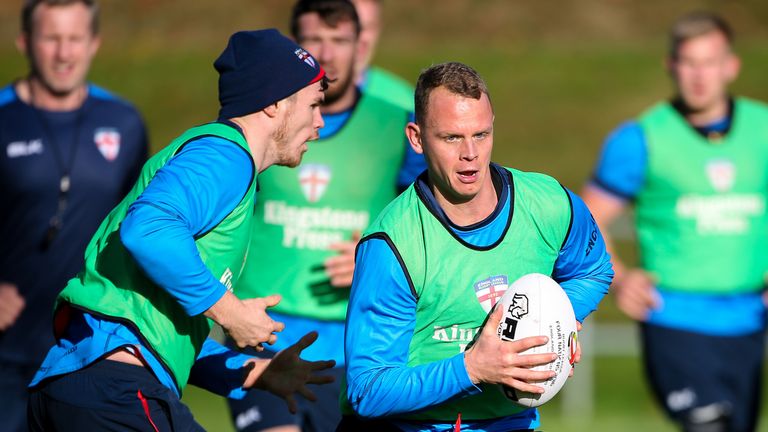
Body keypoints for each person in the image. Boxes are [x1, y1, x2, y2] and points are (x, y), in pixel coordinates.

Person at [26, 28, 336, 431]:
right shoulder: (226, 155)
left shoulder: (221, 163)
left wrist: (255, 373)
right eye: (313, 105)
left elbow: (158, 327)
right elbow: (148, 228)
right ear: (275, 103)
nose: (320, 122)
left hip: (84, 388)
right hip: (114, 392)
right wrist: (230, 311)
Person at [339, 62, 613, 431]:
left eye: (481, 134)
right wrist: (473, 368)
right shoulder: (393, 244)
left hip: (511, 422)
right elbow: (368, 390)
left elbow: (592, 270)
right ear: (417, 138)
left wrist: (559, 322)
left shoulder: (549, 204)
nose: (470, 153)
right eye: (451, 137)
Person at [226, 1, 426, 431]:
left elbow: (433, 231)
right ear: (294, 47)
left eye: (340, 41)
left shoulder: (398, 126)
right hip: (267, 339)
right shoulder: (258, 122)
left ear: (361, 45)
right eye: (314, 40)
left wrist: (375, 260)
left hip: (359, 345)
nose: (328, 53)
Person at [582, 12, 768, 432]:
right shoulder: (641, 139)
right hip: (675, 321)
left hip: (749, 321)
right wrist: (620, 278)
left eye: (709, 62)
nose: (699, 76)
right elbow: (585, 221)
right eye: (689, 63)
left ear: (730, 66)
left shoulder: (762, 130)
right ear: (672, 67)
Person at [0, 1, 148, 430]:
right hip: (8, 357)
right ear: (25, 42)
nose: (64, 53)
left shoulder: (123, 121)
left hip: (92, 352)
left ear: (94, 43)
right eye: (51, 38)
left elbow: (140, 228)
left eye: (74, 39)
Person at [351, 0, 414, 111]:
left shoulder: (404, 102)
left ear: (379, 29)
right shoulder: (311, 95)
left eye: (369, 27)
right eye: (353, 28)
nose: (361, 38)